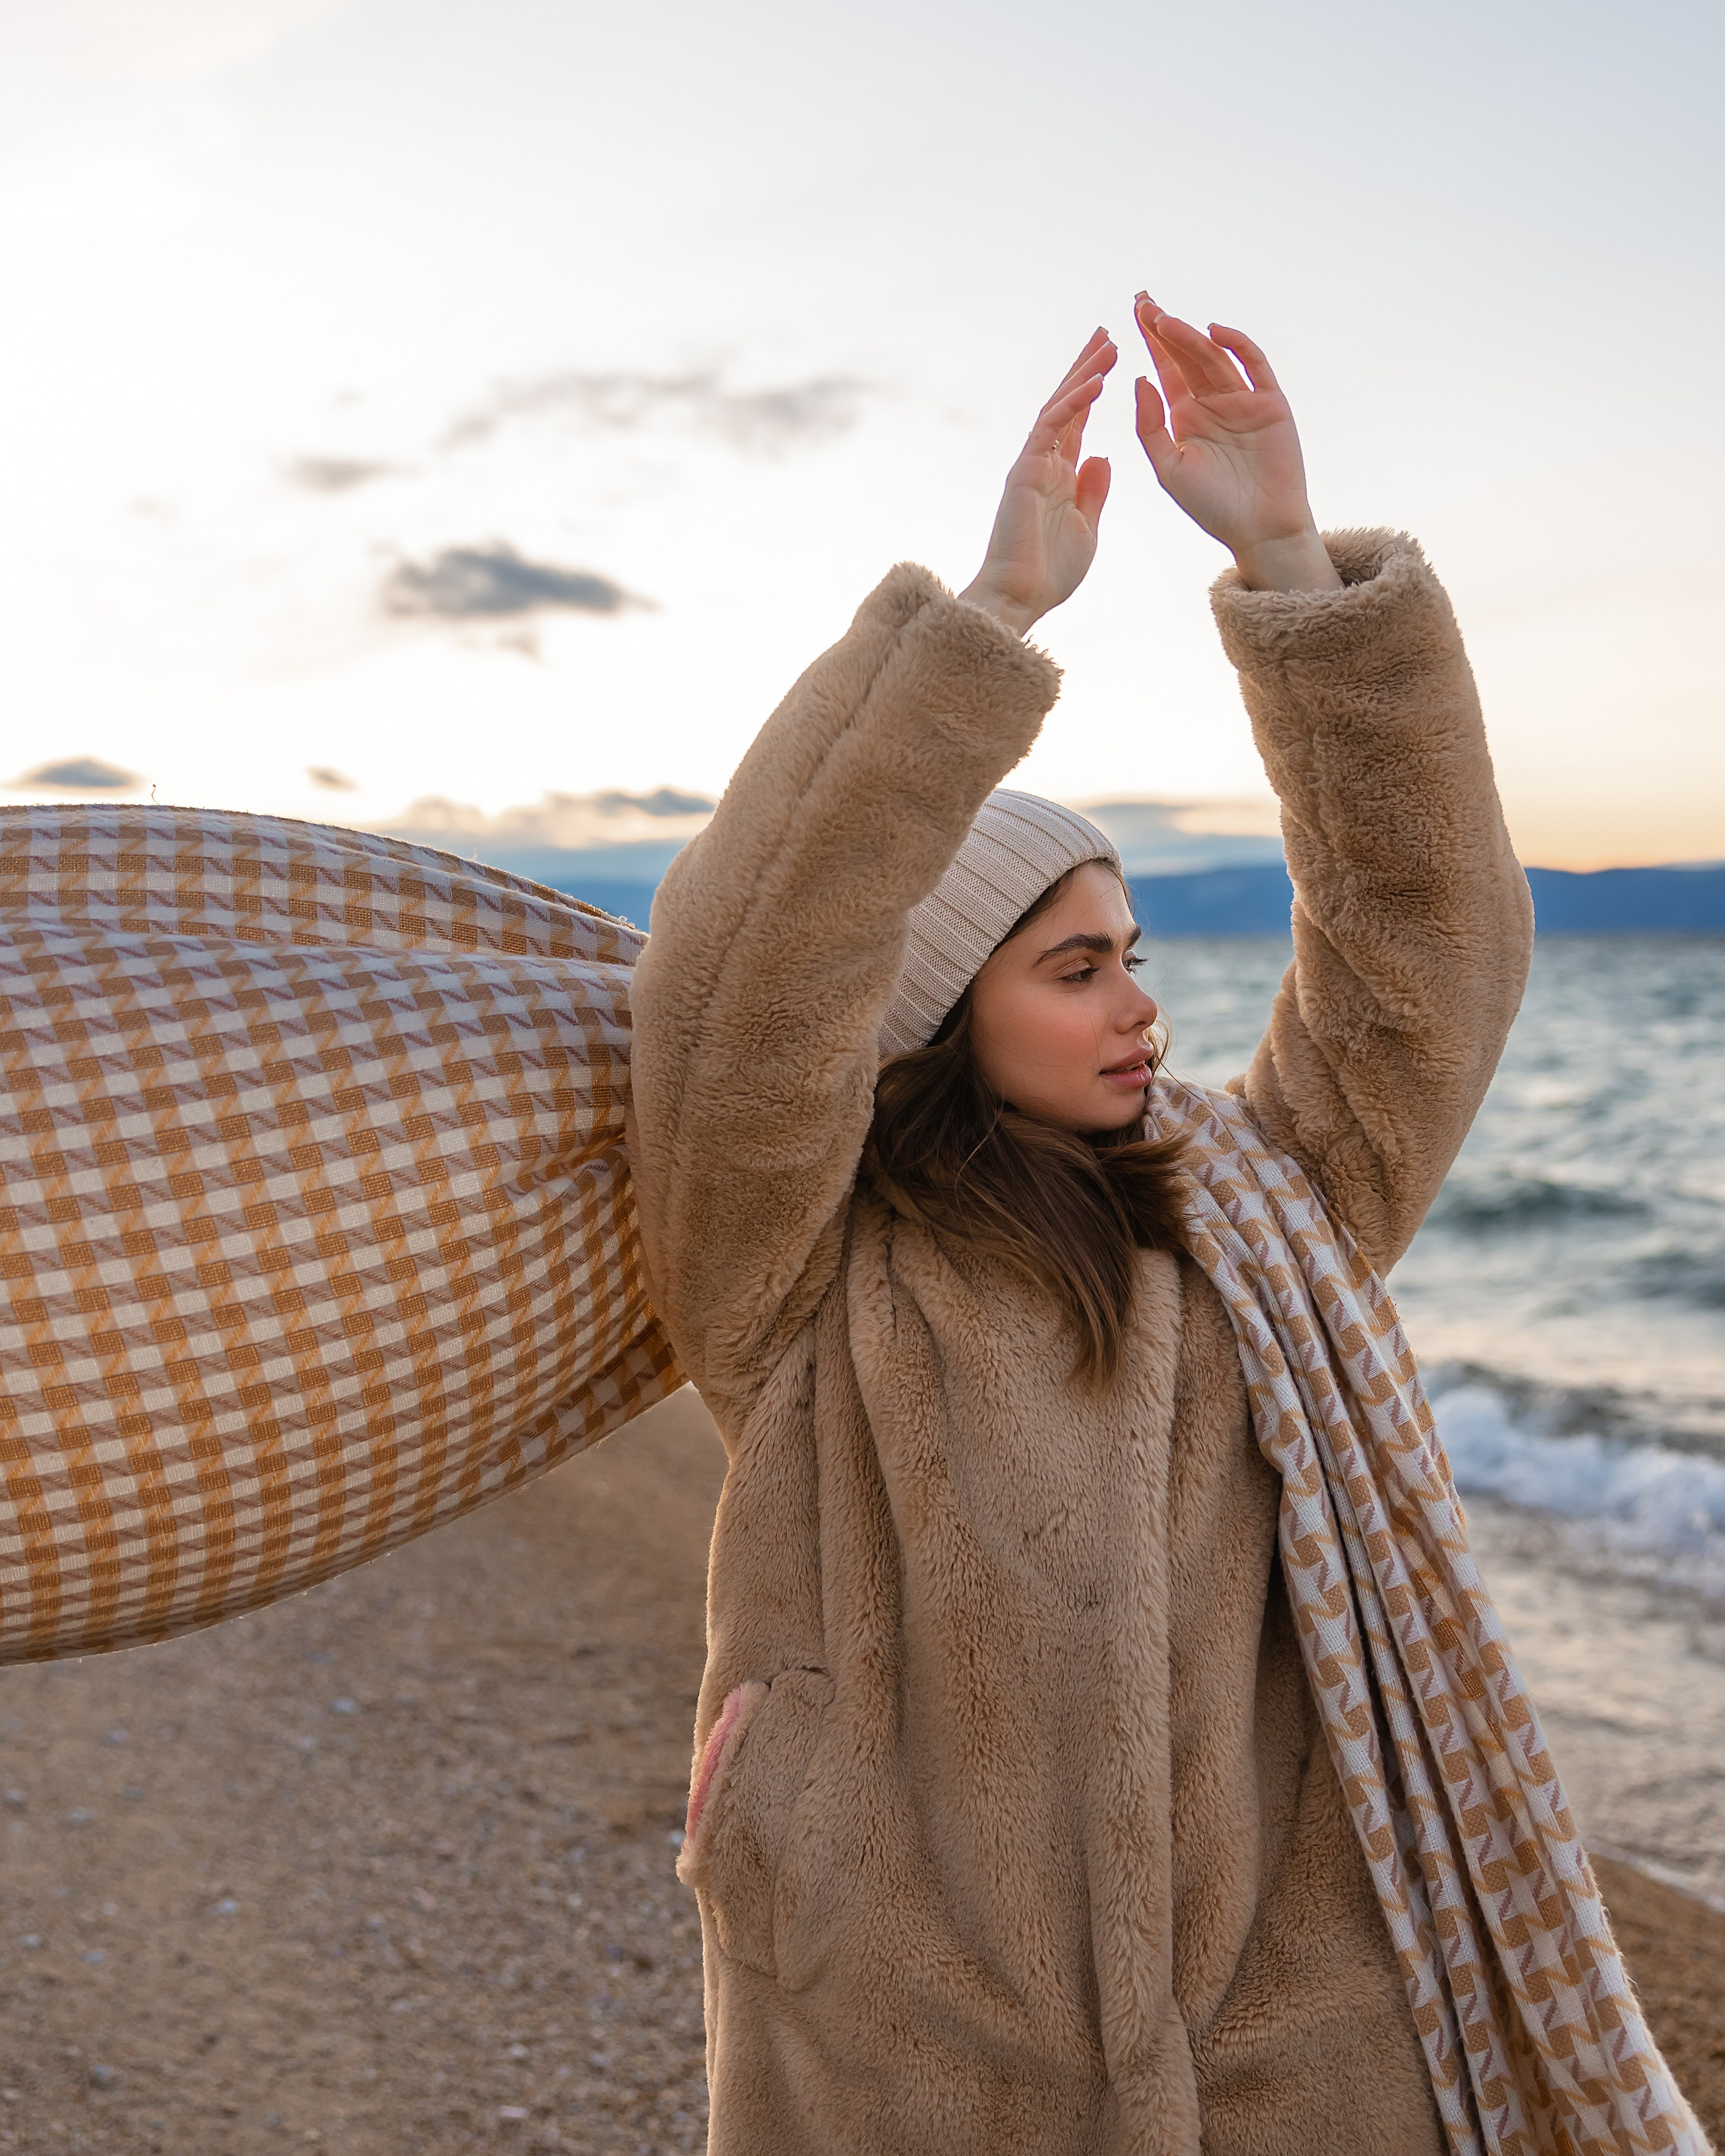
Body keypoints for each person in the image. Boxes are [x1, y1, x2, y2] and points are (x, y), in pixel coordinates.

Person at [625, 300, 1701, 2156]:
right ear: (936, 1007)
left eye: (1132, 955)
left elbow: (1424, 956)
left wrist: (1292, 571)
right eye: (1072, 967)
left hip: (1287, 2024)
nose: (1141, 1007)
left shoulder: (1270, 1208)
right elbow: (742, 991)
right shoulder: (795, 1268)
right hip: (905, 2032)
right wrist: (987, 620)